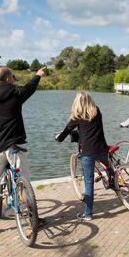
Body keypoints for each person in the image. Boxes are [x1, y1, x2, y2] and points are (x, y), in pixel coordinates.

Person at [0, 66, 46, 237]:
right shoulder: (16, 93)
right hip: (15, 146)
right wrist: (37, 75)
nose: (13, 78)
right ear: (8, 79)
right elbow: (30, 88)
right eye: (12, 76)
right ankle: (34, 220)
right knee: (24, 182)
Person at [55, 92, 113, 221]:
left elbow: (66, 131)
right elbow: (90, 127)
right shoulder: (96, 111)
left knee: (89, 182)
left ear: (77, 103)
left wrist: (59, 138)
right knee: (109, 167)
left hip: (88, 152)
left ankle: (88, 214)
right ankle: (114, 182)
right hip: (101, 148)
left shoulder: (77, 116)